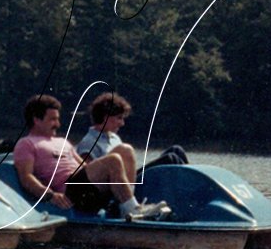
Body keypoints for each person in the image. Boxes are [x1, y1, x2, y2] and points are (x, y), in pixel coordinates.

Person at [14, 94, 170, 220]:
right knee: (113, 160)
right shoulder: (26, 143)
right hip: (69, 191)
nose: (58, 124)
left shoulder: (63, 141)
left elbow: (83, 168)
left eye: (58, 119)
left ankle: (127, 206)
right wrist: (50, 195)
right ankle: (132, 209)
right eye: (52, 119)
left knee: (125, 150)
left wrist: (107, 176)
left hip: (84, 188)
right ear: (36, 120)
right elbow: (26, 177)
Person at [75, 91, 189, 177]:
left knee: (176, 150)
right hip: (119, 187)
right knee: (171, 158)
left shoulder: (114, 137)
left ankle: (195, 184)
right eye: (119, 118)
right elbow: (89, 178)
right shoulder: (88, 143)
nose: (122, 123)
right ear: (105, 118)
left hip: (129, 177)